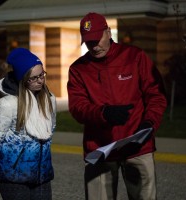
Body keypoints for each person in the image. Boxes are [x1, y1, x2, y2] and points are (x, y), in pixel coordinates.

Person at [67, 12, 167, 200]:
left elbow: (156, 94)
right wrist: (102, 113)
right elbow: (77, 107)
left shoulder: (135, 56)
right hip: (99, 148)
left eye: (97, 39)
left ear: (108, 31)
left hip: (137, 146)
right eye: (88, 42)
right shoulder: (78, 69)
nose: (94, 46)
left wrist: (149, 123)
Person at [0, 47, 56, 200]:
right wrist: (14, 159)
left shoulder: (50, 100)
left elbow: (51, 128)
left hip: (42, 177)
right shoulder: (8, 104)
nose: (40, 81)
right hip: (14, 179)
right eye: (33, 78)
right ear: (23, 79)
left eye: (41, 75)